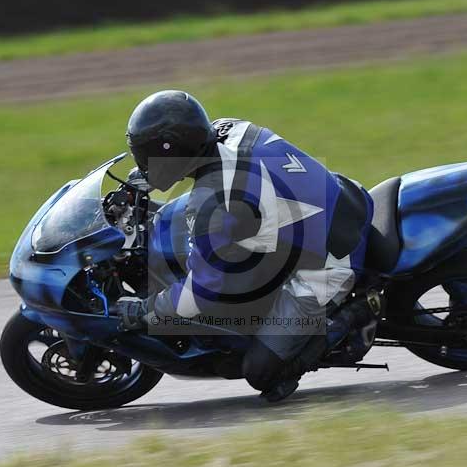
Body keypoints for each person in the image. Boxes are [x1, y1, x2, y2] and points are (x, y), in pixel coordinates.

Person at [116, 90, 374, 401]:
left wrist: (147, 310)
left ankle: (358, 312)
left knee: (259, 370)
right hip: (334, 199)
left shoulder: (214, 204)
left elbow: (203, 292)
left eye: (147, 155)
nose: (144, 163)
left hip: (332, 262)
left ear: (172, 150)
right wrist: (139, 183)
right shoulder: (225, 129)